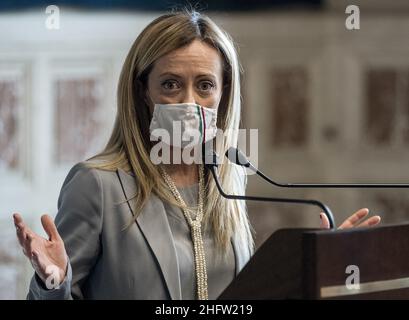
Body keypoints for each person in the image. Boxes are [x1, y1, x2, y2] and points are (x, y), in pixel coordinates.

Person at [12, 10, 381, 300]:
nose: (189, 101)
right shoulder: (97, 185)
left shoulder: (226, 180)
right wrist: (53, 285)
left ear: (223, 94)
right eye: (171, 84)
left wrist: (321, 267)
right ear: (143, 91)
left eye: (204, 85)